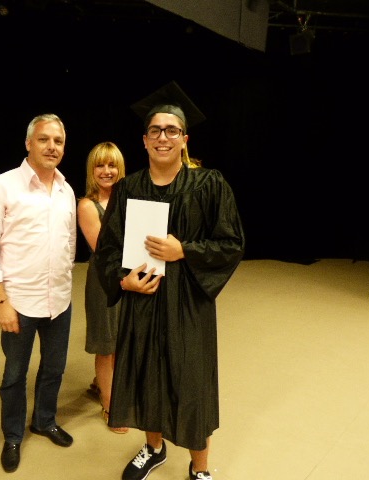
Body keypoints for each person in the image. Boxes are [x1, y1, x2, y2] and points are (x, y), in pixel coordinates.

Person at [94, 81, 245, 480]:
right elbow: (107, 250)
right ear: (144, 140)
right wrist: (123, 282)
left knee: (191, 382)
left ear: (184, 140)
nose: (163, 137)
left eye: (172, 130)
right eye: (155, 131)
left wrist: (185, 250)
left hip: (189, 302)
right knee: (146, 373)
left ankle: (200, 468)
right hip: (142, 299)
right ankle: (154, 448)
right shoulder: (128, 188)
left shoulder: (209, 185)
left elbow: (231, 244)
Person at [0, 113, 77, 474]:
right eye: (44, 139)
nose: (52, 147)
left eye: (58, 141)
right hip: (18, 302)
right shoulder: (0, 187)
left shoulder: (66, 190)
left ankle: (44, 420)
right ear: (29, 143)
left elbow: (69, 243)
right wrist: (0, 302)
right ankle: (13, 435)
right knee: (15, 375)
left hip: (59, 300)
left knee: (54, 368)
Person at [77, 141, 128, 434]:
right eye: (100, 165)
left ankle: (102, 384)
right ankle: (109, 404)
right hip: (104, 281)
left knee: (122, 340)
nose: (106, 171)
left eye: (112, 165)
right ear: (91, 170)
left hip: (129, 278)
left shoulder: (128, 200)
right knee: (107, 345)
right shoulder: (87, 205)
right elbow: (103, 248)